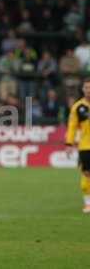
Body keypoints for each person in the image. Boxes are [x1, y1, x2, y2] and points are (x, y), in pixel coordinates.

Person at [66, 78, 90, 213]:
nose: (89, 90)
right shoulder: (78, 107)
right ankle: (88, 203)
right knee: (87, 174)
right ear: (83, 89)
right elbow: (72, 127)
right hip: (86, 146)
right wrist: (69, 143)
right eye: (86, 88)